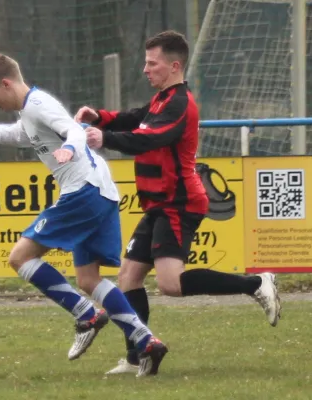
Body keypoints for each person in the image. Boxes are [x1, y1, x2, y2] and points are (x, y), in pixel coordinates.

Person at [74, 30, 281, 375]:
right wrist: (101, 117)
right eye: (145, 62)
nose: (145, 69)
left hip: (179, 202)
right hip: (159, 203)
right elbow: (138, 118)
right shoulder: (162, 100)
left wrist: (104, 137)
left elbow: (151, 136)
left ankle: (257, 283)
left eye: (151, 63)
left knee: (170, 283)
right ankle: (137, 356)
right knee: (128, 278)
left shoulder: (180, 104)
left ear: (173, 66)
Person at [0, 52, 167, 377]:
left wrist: (70, 147)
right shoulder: (30, 113)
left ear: (6, 83)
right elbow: (18, 135)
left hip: (82, 191)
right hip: (102, 192)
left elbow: (75, 130)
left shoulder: (40, 104)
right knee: (88, 278)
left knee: (19, 258)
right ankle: (146, 340)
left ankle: (86, 315)